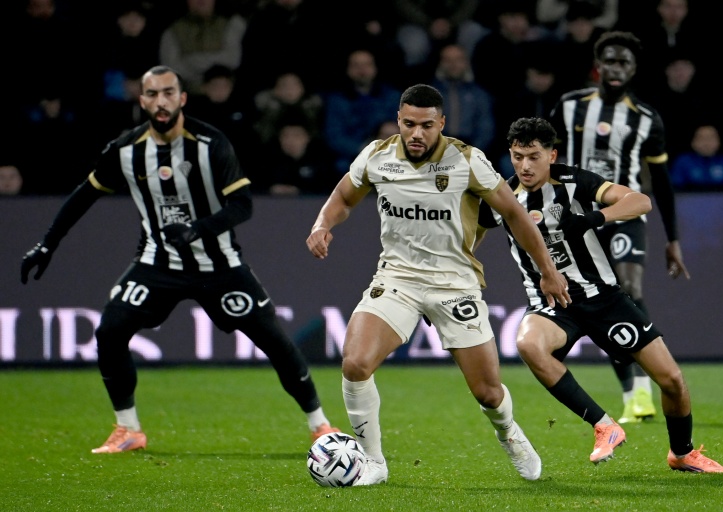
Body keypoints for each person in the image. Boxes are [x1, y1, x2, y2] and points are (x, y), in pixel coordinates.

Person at [20, 65, 339, 453]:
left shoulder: (211, 143)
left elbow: (242, 206)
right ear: (142, 101)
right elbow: (83, 196)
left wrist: (196, 230)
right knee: (109, 331)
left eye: (168, 92)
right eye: (152, 94)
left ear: (182, 98)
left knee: (273, 339)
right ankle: (129, 429)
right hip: (158, 263)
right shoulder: (126, 150)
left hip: (218, 264)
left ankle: (319, 425)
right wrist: (46, 244)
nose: (161, 101)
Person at [306, 84, 570, 485]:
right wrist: (322, 224)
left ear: (441, 124)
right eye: (409, 124)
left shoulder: (466, 160)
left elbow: (515, 214)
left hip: (454, 284)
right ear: (399, 121)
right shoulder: (377, 156)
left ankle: (509, 432)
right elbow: (344, 196)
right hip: (397, 278)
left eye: (426, 125)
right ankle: (374, 462)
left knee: (488, 393)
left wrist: (548, 271)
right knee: (355, 364)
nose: (416, 133)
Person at [477, 117, 723, 473]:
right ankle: (604, 425)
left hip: (603, 298)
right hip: (552, 304)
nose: (525, 166)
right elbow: (476, 227)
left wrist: (594, 218)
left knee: (671, 380)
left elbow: (639, 201)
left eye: (533, 156)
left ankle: (682, 453)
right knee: (529, 344)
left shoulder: (574, 182)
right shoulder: (504, 195)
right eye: (517, 157)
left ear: (552, 154)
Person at [549, 31, 689, 425]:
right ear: (598, 64)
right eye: (609, 60)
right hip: (575, 220)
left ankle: (645, 387)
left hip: (625, 215)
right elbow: (545, 158)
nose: (616, 68)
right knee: (599, 299)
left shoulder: (646, 119)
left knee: (630, 286)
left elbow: (659, 182)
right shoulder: (570, 106)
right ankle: (632, 393)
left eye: (624, 62)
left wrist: (674, 239)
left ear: (634, 69)